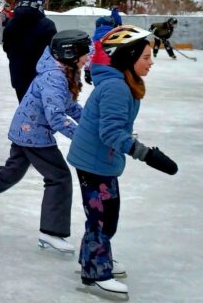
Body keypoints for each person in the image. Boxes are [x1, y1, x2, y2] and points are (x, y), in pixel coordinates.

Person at [0, 30, 91, 253]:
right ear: (69, 54)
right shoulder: (54, 77)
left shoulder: (63, 71)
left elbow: (69, 106)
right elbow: (57, 117)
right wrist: (86, 138)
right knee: (59, 177)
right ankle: (51, 233)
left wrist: (91, 124)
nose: (87, 57)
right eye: (84, 53)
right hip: (34, 133)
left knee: (12, 171)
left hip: (27, 130)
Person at [67, 25, 178, 296]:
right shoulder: (117, 87)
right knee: (103, 217)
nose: (151, 63)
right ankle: (94, 275)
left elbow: (113, 125)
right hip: (94, 161)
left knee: (102, 215)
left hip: (98, 159)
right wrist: (147, 154)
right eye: (145, 57)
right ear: (128, 58)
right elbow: (111, 132)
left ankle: (92, 257)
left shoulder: (122, 81)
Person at [3, 0, 58, 102]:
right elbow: (54, 52)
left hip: (18, 76)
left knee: (24, 111)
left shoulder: (11, 23)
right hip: (42, 77)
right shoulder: (47, 25)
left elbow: (6, 47)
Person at [84, 16, 117, 85]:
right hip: (115, 69)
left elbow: (90, 55)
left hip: (98, 70)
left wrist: (87, 71)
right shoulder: (117, 37)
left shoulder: (93, 40)